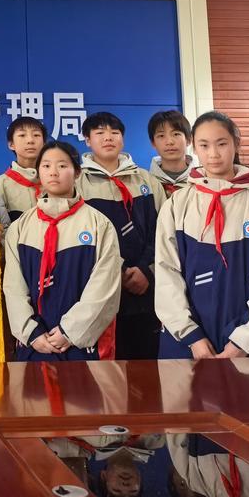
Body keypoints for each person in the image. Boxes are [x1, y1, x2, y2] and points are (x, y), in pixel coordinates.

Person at [155, 111, 249, 360]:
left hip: (243, 341)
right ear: (194, 147)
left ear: (236, 143)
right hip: (186, 341)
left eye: (222, 144)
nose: (214, 154)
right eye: (204, 145)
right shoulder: (177, 203)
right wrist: (191, 336)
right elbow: (166, 272)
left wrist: (244, 341)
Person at [3, 140, 121, 361]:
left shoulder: (99, 224)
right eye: (46, 166)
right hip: (35, 344)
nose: (53, 172)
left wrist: (70, 332)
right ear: (38, 172)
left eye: (62, 165)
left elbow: (105, 286)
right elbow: (13, 287)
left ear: (77, 172)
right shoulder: (21, 227)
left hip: (82, 344)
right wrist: (31, 332)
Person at [77, 111, 166, 361]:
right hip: (99, 292)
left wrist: (146, 271)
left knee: (147, 369)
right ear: (87, 140)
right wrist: (118, 270)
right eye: (100, 133)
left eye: (114, 132)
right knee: (107, 373)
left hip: (147, 290)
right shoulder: (77, 183)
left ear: (123, 139)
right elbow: (79, 239)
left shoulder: (147, 180)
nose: (108, 138)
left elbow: (163, 231)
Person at [0, 116, 47, 220]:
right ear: (11, 144)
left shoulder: (55, 179)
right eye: (22, 135)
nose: (30, 140)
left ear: (44, 144)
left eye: (36, 135)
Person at [148, 110, 197, 195]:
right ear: (153, 143)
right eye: (161, 136)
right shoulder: (145, 183)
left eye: (176, 134)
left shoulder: (203, 180)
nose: (169, 142)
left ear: (189, 140)